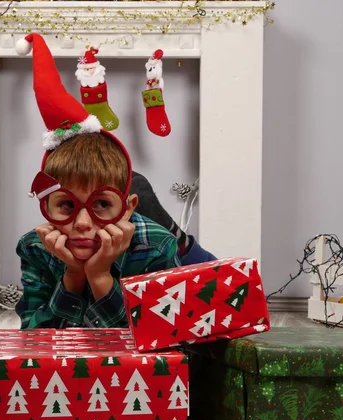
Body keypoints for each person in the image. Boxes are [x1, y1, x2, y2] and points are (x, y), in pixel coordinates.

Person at [13, 33, 215, 329]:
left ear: (128, 206)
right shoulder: (35, 247)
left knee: (208, 278)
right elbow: (34, 336)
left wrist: (100, 277)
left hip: (158, 238)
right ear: (45, 204)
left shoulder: (156, 246)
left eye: (101, 204)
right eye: (67, 205)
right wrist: (73, 276)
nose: (82, 223)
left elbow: (163, 339)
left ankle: (173, 232)